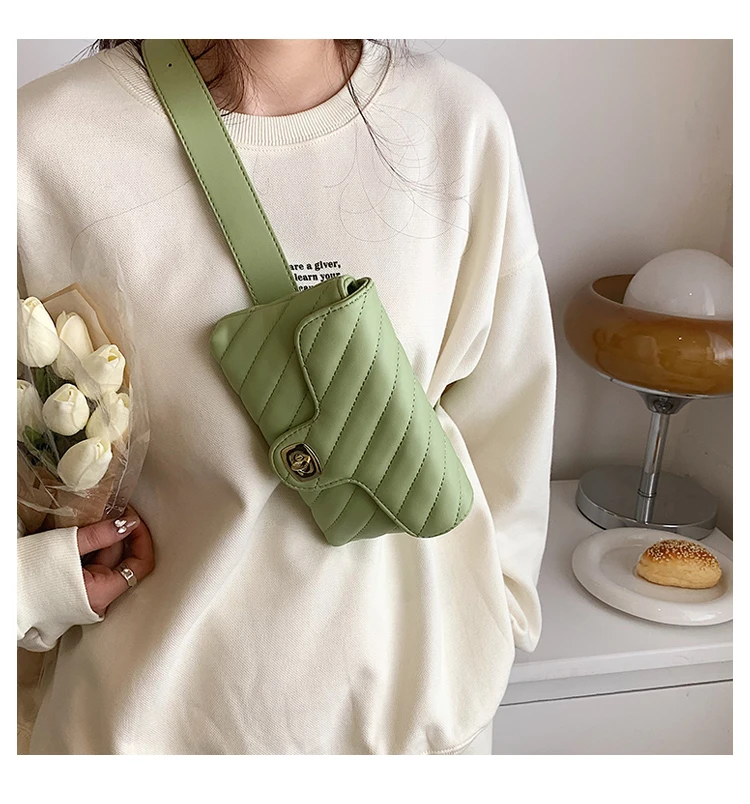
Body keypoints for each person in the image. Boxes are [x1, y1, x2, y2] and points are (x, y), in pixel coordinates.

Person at [17, 38, 557, 755]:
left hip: (415, 745)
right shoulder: (39, 143)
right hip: (139, 741)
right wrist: (33, 587)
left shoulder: (458, 122)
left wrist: (493, 624)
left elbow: (510, 419)